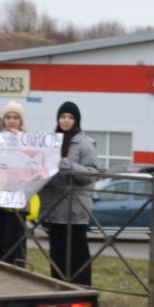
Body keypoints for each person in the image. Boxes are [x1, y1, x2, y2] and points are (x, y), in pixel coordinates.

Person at [39, 100, 101, 286]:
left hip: (75, 211)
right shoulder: (50, 141)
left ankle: (82, 289)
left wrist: (67, 165)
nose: (66, 121)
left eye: (70, 117)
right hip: (53, 209)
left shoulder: (84, 143)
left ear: (76, 120)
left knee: (77, 254)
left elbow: (91, 174)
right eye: (63, 117)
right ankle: (58, 289)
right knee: (56, 254)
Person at [0, 101, 30, 267]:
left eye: (16, 117)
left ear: (21, 121)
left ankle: (17, 267)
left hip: (18, 196)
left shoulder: (28, 140)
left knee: (15, 234)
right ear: (3, 120)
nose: (11, 121)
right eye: (8, 117)